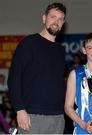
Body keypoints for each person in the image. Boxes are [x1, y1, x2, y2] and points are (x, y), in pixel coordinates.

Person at [7, 2, 66, 134]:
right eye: (53, 17)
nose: (56, 22)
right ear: (44, 18)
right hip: (31, 117)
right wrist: (20, 109)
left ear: (63, 23)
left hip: (58, 118)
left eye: (60, 19)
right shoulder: (29, 43)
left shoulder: (60, 50)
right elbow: (14, 78)